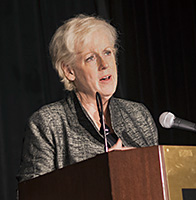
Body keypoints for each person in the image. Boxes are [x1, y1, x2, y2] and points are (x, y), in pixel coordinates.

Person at [16, 14, 158, 183]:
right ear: (69, 71)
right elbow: (33, 193)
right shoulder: (48, 123)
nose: (104, 64)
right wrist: (102, 170)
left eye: (107, 52)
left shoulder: (137, 115)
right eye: (90, 58)